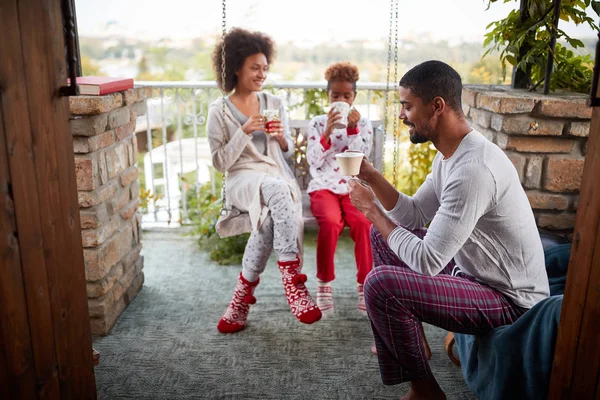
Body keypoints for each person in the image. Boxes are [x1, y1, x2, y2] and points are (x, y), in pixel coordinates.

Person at [347, 60, 550, 400]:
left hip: (509, 300)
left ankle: (426, 392)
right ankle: (415, 345)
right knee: (379, 239)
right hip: (473, 272)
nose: (401, 115)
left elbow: (426, 261)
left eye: (407, 106)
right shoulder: (450, 155)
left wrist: (370, 209)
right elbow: (412, 215)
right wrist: (372, 176)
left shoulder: (474, 170)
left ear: (437, 106)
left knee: (380, 286)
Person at [207, 28, 322, 334]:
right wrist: (243, 131)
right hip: (241, 179)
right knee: (277, 190)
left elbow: (283, 155)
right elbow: (220, 162)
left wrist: (282, 138)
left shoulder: (273, 102)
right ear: (236, 68)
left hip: (273, 173)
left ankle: (239, 303)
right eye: (254, 68)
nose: (261, 74)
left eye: (265, 68)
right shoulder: (218, 111)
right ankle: (292, 279)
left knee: (270, 217)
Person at [305, 62, 373, 317]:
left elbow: (361, 159)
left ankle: (366, 285)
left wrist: (353, 129)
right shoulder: (317, 123)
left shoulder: (362, 124)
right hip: (323, 186)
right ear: (328, 97)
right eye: (336, 96)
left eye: (347, 96)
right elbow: (313, 161)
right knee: (331, 223)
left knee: (363, 223)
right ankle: (324, 285)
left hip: (352, 185)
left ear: (354, 97)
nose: (341, 100)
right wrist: (326, 133)